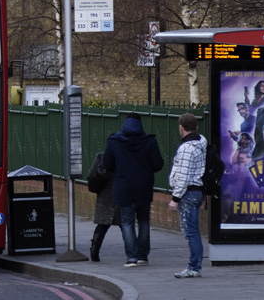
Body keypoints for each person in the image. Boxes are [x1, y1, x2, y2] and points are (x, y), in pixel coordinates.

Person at [101, 113, 164, 267]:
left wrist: (119, 170)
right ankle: (143, 256)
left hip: (124, 187)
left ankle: (131, 258)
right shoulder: (150, 141)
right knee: (143, 221)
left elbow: (106, 163)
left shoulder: (115, 141)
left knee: (127, 222)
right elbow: (158, 164)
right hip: (144, 186)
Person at [167, 112, 207, 279]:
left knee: (190, 232)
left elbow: (183, 175)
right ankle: (195, 266)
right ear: (196, 127)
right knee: (193, 231)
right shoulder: (201, 143)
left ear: (181, 128)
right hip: (197, 191)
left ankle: (194, 267)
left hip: (188, 193)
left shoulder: (186, 148)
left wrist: (175, 199)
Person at [86, 150, 119, 262]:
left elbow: (91, 174)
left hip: (104, 193)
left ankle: (94, 250)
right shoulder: (125, 154)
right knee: (125, 224)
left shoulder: (102, 156)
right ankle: (132, 253)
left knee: (103, 224)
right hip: (120, 191)